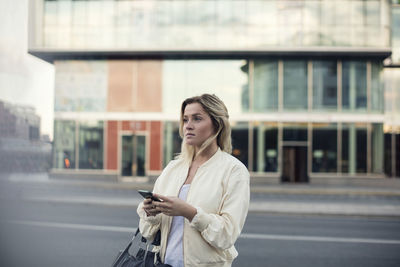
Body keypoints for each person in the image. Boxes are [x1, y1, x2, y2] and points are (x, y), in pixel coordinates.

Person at [137, 94, 250, 267]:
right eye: (185, 119)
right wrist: (150, 212)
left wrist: (190, 212)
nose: (188, 126)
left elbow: (227, 235)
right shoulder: (173, 168)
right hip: (163, 263)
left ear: (217, 124)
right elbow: (148, 232)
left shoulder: (234, 170)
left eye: (197, 119)